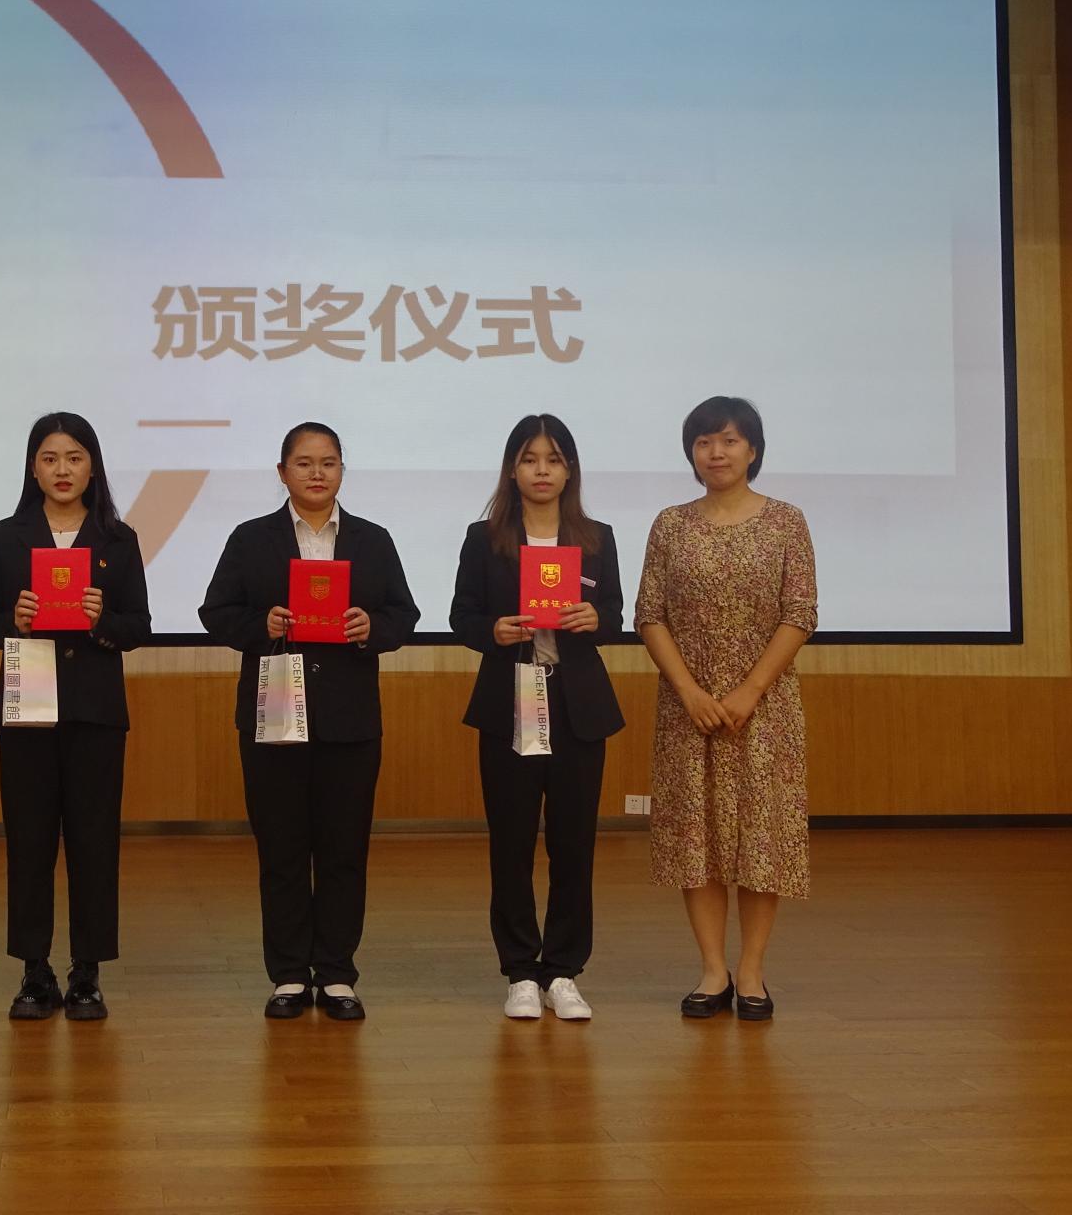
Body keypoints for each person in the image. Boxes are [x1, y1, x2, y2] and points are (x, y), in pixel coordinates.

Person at [199, 422, 419, 1021]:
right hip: (274, 713)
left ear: (342, 470)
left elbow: (404, 613)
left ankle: (338, 973)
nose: (317, 473)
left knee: (345, 850)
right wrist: (262, 626)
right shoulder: (252, 539)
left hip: (350, 720)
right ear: (282, 472)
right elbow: (215, 611)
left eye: (328, 462)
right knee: (282, 851)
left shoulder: (373, 540)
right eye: (303, 462)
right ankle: (290, 974)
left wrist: (372, 628)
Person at [635, 396, 817, 1022]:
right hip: (688, 708)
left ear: (753, 450)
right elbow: (649, 614)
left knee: (761, 837)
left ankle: (753, 970)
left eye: (730, 441)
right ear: (691, 452)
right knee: (698, 837)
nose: (716, 453)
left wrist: (750, 691)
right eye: (704, 442)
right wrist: (689, 691)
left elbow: (801, 613)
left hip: (765, 708)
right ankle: (713, 970)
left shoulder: (787, 521)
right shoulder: (670, 524)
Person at [0, 413, 150, 1021]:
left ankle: (87, 973)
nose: (62, 470)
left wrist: (102, 621)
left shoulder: (117, 539)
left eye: (74, 458)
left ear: (92, 467)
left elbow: (138, 626)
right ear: (33, 468)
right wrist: (13, 621)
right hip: (26, 705)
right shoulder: (7, 535)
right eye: (50, 458)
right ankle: (34, 971)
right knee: (29, 842)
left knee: (94, 844)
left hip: (95, 711)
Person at [450, 414, 625, 1022]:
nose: (542, 471)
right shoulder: (485, 537)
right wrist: (493, 630)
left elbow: (615, 614)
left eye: (553, 459)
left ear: (569, 469)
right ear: (512, 469)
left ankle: (564, 971)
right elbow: (462, 616)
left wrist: (595, 620)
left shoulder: (597, 537)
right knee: (512, 844)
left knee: (574, 846)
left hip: (578, 708)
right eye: (529, 459)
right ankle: (521, 971)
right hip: (510, 702)